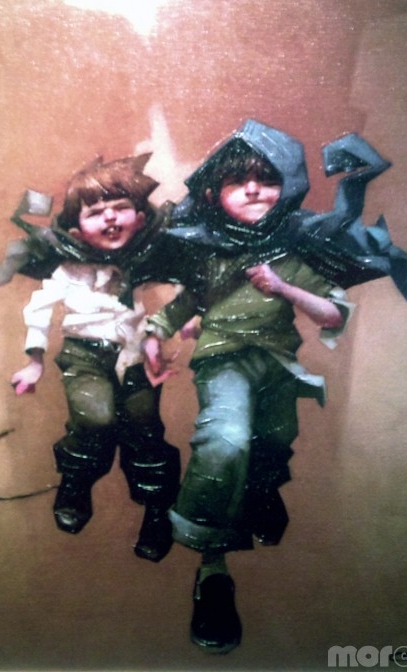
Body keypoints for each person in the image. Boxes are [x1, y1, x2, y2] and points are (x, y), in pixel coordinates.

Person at [143, 120, 354, 652]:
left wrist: (284, 288)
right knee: (226, 440)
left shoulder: (291, 250)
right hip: (225, 360)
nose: (254, 189)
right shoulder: (210, 252)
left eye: (267, 178)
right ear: (215, 193)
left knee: (273, 443)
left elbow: (333, 315)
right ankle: (211, 563)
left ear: (287, 184)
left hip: (278, 364)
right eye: (238, 181)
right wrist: (154, 333)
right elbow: (186, 303)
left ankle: (260, 494)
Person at [10, 154, 179, 563]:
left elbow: (182, 291)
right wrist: (34, 360)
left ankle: (157, 506)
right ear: (76, 229)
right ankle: (76, 479)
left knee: (144, 427)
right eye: (96, 213)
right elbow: (38, 310)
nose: (111, 218)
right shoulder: (69, 270)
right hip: (85, 355)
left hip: (135, 356)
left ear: (140, 217)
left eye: (121, 208)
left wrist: (176, 326)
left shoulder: (143, 260)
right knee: (96, 417)